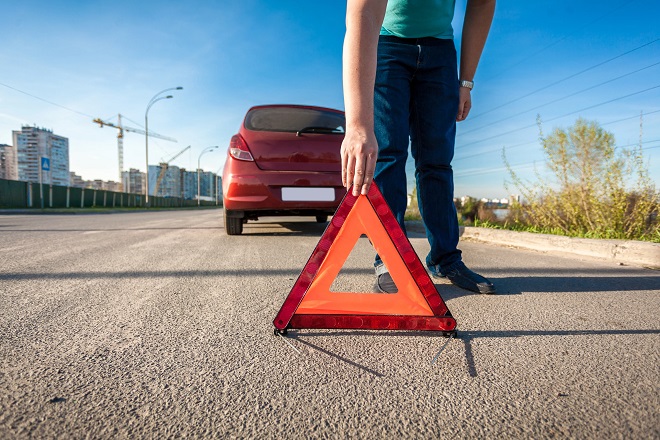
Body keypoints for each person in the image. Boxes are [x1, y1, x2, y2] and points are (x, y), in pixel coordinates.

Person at [340, 0, 497, 294]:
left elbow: (483, 3)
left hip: (440, 52)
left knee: (437, 161)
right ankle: (390, 258)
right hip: (386, 43)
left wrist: (466, 82)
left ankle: (445, 259)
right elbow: (362, 14)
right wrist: (358, 126)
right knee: (387, 154)